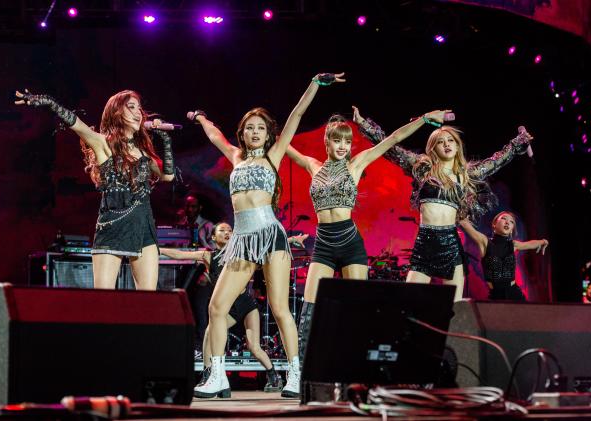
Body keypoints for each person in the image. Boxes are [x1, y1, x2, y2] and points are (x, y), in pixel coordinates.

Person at [189, 72, 344, 399]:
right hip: (242, 240)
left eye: (261, 127)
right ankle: (217, 376)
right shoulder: (234, 156)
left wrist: (315, 84)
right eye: (250, 127)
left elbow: (296, 115)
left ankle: (295, 374)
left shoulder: (275, 156)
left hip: (270, 235)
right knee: (217, 308)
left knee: (278, 307)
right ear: (243, 133)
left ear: (268, 134)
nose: (255, 132)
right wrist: (201, 117)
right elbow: (215, 135)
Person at [286, 108, 450, 361]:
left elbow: (393, 139)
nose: (343, 146)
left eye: (347, 141)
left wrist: (425, 118)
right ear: (326, 141)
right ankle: (302, 372)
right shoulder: (312, 166)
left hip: (350, 242)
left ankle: (356, 365)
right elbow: (282, 142)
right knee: (310, 308)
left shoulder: (356, 164)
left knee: (357, 307)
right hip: (324, 244)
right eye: (337, 140)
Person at [355, 109, 533, 301]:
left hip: (450, 242)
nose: (446, 144)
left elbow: (496, 161)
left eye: (450, 141)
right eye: (440, 142)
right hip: (425, 241)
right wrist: (363, 124)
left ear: (457, 147)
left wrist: (518, 142)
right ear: (433, 148)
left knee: (454, 306)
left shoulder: (467, 174)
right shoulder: (422, 168)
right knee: (408, 299)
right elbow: (390, 148)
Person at [15, 89, 174, 290]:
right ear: (116, 112)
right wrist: (48, 102)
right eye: (131, 107)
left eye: (140, 109)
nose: (138, 113)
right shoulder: (102, 143)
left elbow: (167, 176)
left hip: (144, 227)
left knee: (148, 300)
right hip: (112, 227)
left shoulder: (143, 152)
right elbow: (77, 124)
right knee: (104, 300)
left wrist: (166, 141)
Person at [161, 223, 308, 392]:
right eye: (222, 231)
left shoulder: (241, 253)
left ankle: (273, 376)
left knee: (254, 346)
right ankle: (209, 375)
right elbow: (180, 255)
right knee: (210, 332)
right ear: (213, 237)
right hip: (228, 308)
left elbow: (266, 244)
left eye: (230, 230)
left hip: (246, 304)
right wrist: (159, 250)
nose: (227, 233)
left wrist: (290, 240)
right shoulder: (209, 256)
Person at [460, 211, 548, 300]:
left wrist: (543, 241)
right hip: (496, 296)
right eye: (503, 219)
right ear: (494, 224)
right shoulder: (485, 242)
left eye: (511, 222)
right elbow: (464, 224)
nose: (507, 222)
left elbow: (530, 244)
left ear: (511, 230)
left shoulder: (513, 245)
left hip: (515, 294)